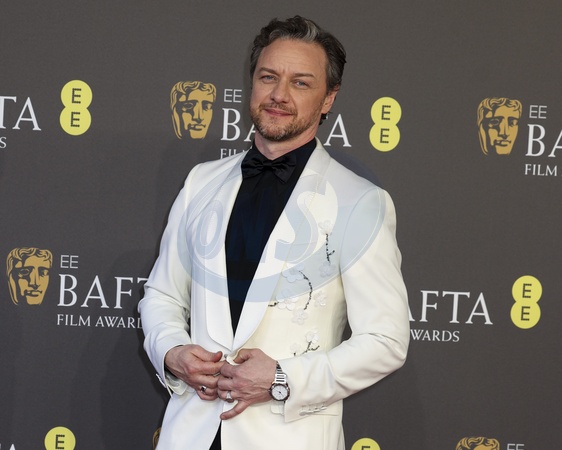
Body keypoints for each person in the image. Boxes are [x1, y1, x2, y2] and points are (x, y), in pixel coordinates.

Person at [139, 15, 409, 450]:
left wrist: (283, 379)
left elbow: (385, 340)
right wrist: (172, 352)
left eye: (300, 83)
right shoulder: (201, 183)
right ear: (252, 84)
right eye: (268, 77)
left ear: (328, 98)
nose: (279, 95)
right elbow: (163, 296)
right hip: (190, 433)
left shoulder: (360, 202)